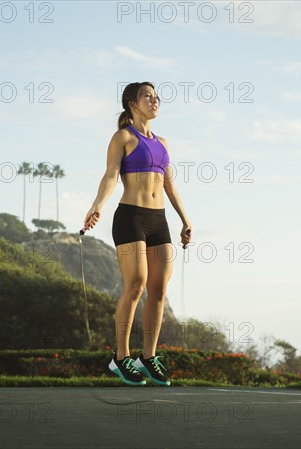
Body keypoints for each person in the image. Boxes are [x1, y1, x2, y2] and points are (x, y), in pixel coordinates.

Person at [83, 81, 192, 386]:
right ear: (132, 102)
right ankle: (120, 357)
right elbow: (110, 175)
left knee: (158, 290)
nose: (154, 100)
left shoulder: (163, 143)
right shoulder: (123, 137)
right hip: (131, 217)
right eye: (148, 96)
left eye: (157, 97)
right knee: (136, 284)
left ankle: (148, 356)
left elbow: (170, 185)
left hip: (159, 220)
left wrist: (185, 220)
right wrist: (96, 206)